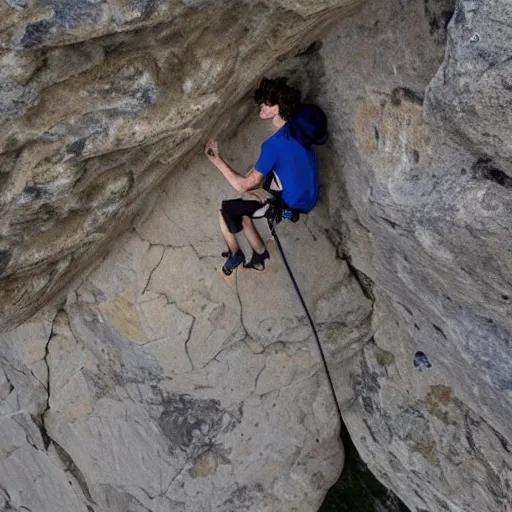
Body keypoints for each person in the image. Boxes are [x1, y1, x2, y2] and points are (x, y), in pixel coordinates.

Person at [205, 77, 327, 275]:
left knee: (226, 210)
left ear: (278, 108)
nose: (261, 107)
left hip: (288, 205)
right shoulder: (298, 128)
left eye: (267, 104)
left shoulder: (274, 145)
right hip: (308, 199)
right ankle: (259, 256)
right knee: (246, 212)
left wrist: (217, 160)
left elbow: (244, 185)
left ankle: (237, 254)